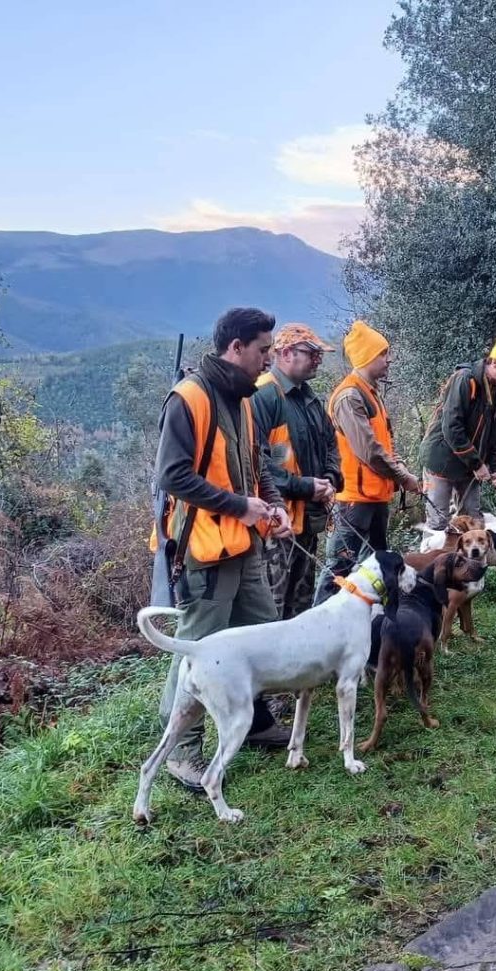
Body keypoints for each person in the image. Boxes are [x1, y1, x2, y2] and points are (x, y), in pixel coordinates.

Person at [150, 307, 295, 791]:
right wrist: (240, 506)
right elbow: (171, 476)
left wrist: (273, 508)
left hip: (243, 543)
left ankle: (253, 722)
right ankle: (181, 751)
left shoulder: (244, 400)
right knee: (197, 648)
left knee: (262, 631)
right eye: (263, 350)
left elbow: (259, 466)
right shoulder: (188, 399)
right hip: (203, 549)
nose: (268, 359)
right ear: (236, 348)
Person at [312, 321, 421, 605]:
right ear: (366, 357)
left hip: (374, 497)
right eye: (383, 354)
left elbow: (385, 444)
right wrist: (403, 477)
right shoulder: (349, 396)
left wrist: (401, 470)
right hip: (353, 500)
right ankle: (318, 620)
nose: (389, 359)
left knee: (373, 566)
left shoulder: (371, 393)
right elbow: (369, 451)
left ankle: (369, 620)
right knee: (339, 568)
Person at [251, 323, 340, 618]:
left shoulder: (308, 397)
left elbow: (331, 443)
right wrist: (304, 486)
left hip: (308, 521)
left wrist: (330, 479)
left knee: (299, 610)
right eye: (311, 353)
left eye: (319, 354)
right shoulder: (263, 395)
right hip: (276, 525)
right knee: (271, 612)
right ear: (286, 353)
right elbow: (257, 462)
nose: (318, 359)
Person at [419, 336, 496, 529]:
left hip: (469, 466)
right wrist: (477, 463)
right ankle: (433, 549)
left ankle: (464, 550)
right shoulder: (465, 379)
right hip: (441, 461)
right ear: (494, 362)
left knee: (473, 522)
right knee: (438, 523)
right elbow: (452, 427)